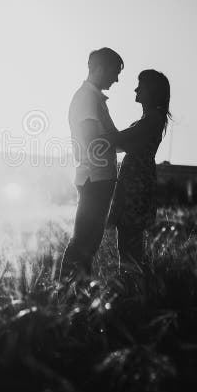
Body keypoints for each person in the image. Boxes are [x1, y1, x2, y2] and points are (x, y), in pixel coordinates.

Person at [59, 47, 123, 282]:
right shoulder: (87, 98)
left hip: (97, 178)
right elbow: (90, 139)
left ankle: (78, 293)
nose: (116, 79)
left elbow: (110, 139)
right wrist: (123, 138)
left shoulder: (94, 97)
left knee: (89, 241)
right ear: (99, 68)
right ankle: (66, 295)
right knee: (84, 240)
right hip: (95, 178)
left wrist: (131, 139)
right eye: (114, 72)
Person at [106, 69, 171, 269]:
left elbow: (118, 141)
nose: (136, 89)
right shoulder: (150, 119)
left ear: (151, 91)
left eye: (140, 86)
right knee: (128, 243)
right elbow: (119, 145)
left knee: (129, 245)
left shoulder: (152, 119)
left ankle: (131, 290)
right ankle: (131, 289)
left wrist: (103, 114)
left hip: (136, 185)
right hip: (136, 182)